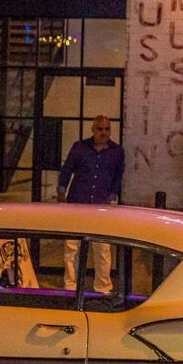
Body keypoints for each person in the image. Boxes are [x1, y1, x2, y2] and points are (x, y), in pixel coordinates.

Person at [58, 115, 124, 292]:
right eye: (100, 129)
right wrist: (61, 192)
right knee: (72, 247)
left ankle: (103, 286)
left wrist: (112, 196)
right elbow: (67, 170)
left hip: (102, 205)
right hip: (77, 203)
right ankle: (71, 285)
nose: (104, 133)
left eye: (107, 129)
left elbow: (118, 176)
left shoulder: (116, 151)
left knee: (102, 248)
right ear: (93, 129)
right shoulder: (79, 148)